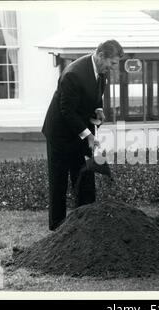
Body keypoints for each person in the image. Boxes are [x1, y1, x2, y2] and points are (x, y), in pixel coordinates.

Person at [42, 39, 124, 231]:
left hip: (80, 131)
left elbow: (92, 98)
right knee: (59, 181)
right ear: (101, 56)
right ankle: (58, 227)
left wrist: (98, 109)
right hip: (60, 134)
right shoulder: (73, 74)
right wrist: (88, 135)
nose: (112, 68)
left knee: (84, 177)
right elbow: (66, 111)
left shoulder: (101, 73)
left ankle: (86, 226)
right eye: (112, 63)